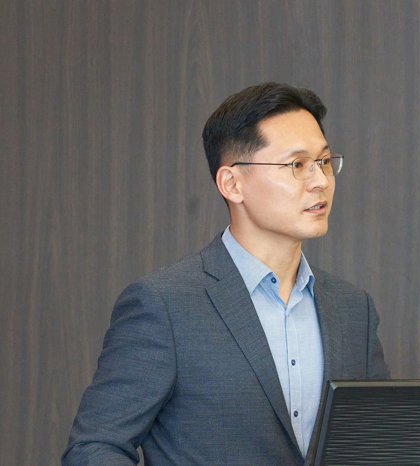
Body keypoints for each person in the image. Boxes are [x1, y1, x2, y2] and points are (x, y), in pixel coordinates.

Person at [62, 82, 390, 465]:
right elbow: (93, 448)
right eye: (297, 165)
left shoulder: (353, 308)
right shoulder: (165, 306)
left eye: (324, 161)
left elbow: (380, 442)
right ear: (232, 184)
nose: (320, 181)